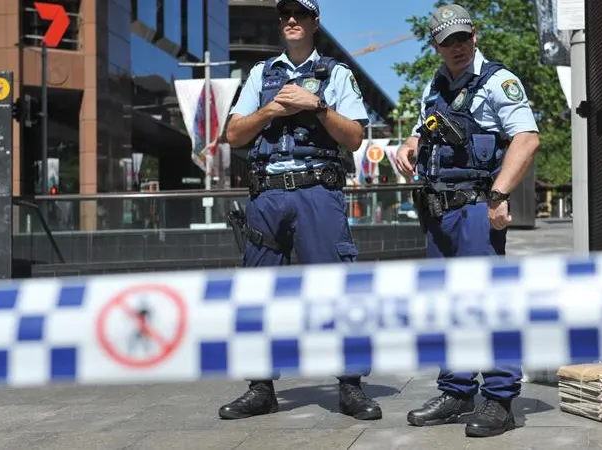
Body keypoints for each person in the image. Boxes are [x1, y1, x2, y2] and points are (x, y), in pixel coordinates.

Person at [217, 0, 382, 421]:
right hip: (267, 194)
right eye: (285, 14)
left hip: (316, 191)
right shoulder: (261, 74)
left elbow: (355, 139)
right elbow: (233, 135)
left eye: (301, 14)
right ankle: (260, 387)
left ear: (314, 22)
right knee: (257, 293)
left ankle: (350, 386)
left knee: (336, 290)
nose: (292, 20)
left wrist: (317, 106)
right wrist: (272, 108)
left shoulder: (337, 73)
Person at [394, 4, 541, 439]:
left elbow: (527, 139)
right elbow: (425, 129)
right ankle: (457, 392)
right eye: (447, 41)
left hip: (478, 207)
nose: (457, 47)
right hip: (438, 211)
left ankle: (499, 399)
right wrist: (410, 143)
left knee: (488, 304)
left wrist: (498, 195)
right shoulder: (434, 85)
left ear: (473, 35)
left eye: (462, 38)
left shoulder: (498, 80)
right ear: (435, 45)